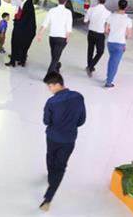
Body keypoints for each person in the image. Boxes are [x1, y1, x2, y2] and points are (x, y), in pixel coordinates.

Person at [40, 72, 86, 212]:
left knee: (50, 157)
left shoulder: (51, 102)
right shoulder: (78, 97)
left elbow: (46, 121)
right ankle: (49, 197)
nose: (49, 89)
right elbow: (81, 120)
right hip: (69, 139)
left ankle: (50, 182)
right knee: (60, 166)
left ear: (57, 84)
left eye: (49, 86)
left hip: (52, 137)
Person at [2, 0, 36, 67]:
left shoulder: (26, 1)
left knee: (15, 42)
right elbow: (10, 1)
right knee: (23, 43)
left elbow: (24, 15)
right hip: (27, 27)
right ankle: (20, 59)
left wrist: (17, 22)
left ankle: (13, 61)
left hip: (21, 25)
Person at [38, 0, 73, 75]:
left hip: (52, 37)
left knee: (54, 55)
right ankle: (48, 76)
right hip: (62, 38)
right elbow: (68, 27)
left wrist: (40, 34)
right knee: (55, 58)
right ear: (66, 1)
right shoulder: (68, 12)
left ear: (58, 0)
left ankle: (56, 66)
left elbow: (45, 24)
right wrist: (68, 38)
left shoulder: (52, 10)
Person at [104, 0, 133, 87]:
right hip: (120, 44)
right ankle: (109, 83)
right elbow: (129, 35)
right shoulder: (128, 20)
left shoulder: (111, 16)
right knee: (114, 63)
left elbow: (106, 30)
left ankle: (109, 77)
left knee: (112, 60)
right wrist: (124, 37)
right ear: (126, 7)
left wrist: (113, 33)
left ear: (118, 5)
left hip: (110, 43)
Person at [83, 0, 110, 77]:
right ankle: (90, 66)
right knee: (100, 51)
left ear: (97, 0)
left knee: (90, 50)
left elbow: (85, 21)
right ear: (105, 1)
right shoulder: (108, 13)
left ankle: (89, 66)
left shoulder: (91, 9)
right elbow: (107, 26)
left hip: (91, 32)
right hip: (100, 34)